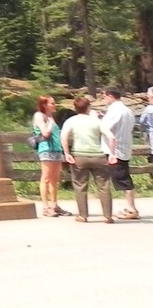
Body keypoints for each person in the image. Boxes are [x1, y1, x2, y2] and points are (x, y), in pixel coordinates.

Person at [62, 96, 114, 222]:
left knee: (80, 186)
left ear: (75, 108)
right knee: (103, 186)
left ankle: (83, 215)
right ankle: (107, 215)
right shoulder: (96, 121)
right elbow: (111, 137)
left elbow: (63, 136)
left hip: (79, 156)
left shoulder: (71, 121)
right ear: (89, 107)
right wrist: (112, 153)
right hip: (98, 156)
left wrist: (67, 153)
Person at [100, 87, 138, 220]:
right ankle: (130, 206)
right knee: (123, 177)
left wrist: (98, 120)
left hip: (114, 149)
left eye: (104, 96)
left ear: (110, 96)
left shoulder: (115, 111)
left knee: (122, 179)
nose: (104, 99)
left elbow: (104, 127)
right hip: (124, 146)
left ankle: (131, 208)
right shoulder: (127, 110)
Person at [31, 95, 67, 217]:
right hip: (46, 149)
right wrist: (51, 123)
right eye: (52, 103)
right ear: (44, 105)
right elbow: (45, 133)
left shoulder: (51, 117)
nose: (54, 105)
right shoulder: (39, 116)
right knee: (46, 177)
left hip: (56, 149)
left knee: (55, 178)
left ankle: (54, 204)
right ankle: (46, 207)